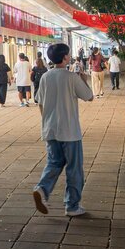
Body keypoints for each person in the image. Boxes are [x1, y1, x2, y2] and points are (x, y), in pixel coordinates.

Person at [31, 43, 94, 217]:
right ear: (65, 57)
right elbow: (89, 96)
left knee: (54, 162)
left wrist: (46, 121)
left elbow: (40, 102)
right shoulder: (71, 77)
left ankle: (42, 189)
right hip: (70, 131)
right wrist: (83, 79)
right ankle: (72, 205)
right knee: (74, 168)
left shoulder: (46, 77)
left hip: (50, 129)